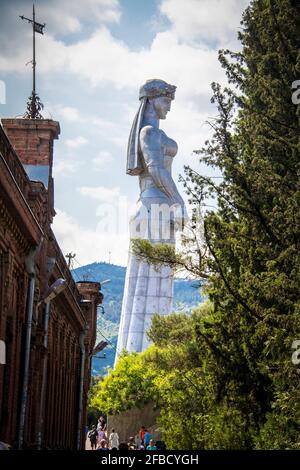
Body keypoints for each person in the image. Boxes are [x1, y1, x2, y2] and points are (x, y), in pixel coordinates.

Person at [115, 79, 188, 359]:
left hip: (159, 207)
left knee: (160, 281)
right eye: (165, 99)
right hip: (153, 207)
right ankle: (140, 356)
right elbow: (156, 168)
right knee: (147, 281)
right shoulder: (147, 133)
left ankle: (154, 355)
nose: (169, 104)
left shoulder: (157, 133)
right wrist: (178, 200)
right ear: (151, 100)